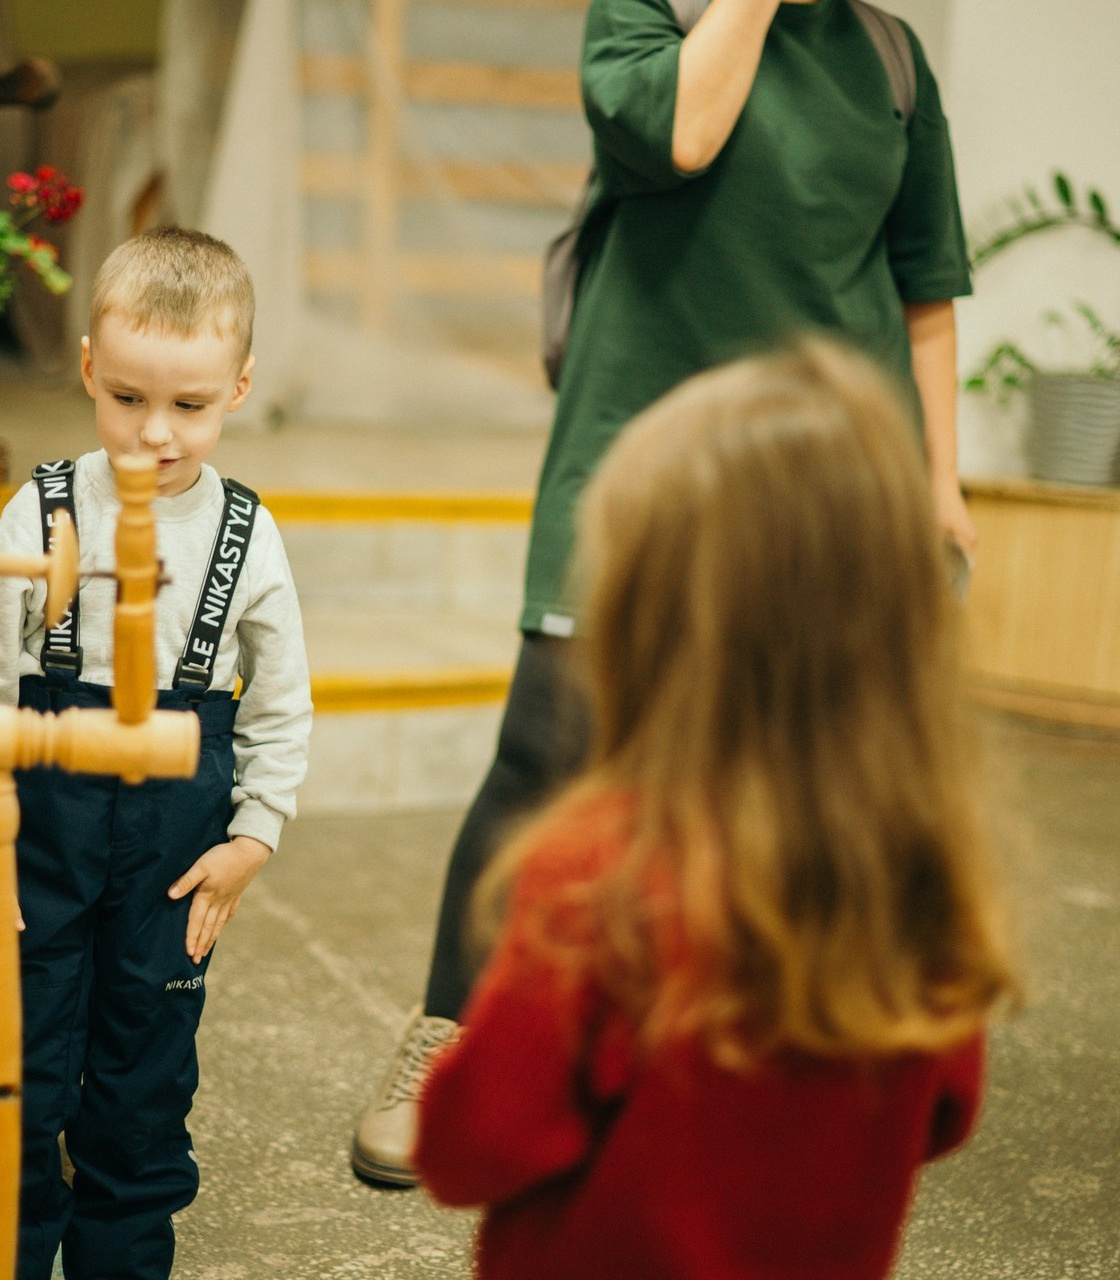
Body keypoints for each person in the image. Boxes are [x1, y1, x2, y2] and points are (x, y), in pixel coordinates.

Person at [352, 0, 976, 1185]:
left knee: (807, 775)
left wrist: (938, 480)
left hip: (819, 474)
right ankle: (445, 1033)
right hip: (632, 449)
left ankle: (751, 1059)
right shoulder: (647, 12)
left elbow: (923, 288)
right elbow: (683, 136)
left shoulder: (892, 59)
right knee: (548, 748)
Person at [413, 340, 1017, 1280]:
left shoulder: (599, 871)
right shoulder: (922, 874)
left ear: (650, 623)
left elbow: (470, 1147)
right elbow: (947, 1113)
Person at [0, 226, 311, 1280]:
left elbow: (281, 701)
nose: (154, 434)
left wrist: (254, 834)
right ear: (90, 369)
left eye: (188, 406)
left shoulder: (248, 535)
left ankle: (122, 1256)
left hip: (172, 849)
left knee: (145, 1076)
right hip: (38, 833)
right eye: (129, 398)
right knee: (16, 1061)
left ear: (237, 387)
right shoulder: (40, 510)